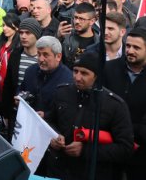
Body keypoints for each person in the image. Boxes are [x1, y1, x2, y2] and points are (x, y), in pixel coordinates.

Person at [47, 52, 133, 180]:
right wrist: (53, 136)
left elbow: (125, 148)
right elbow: (49, 120)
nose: (77, 77)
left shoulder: (114, 105)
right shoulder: (62, 93)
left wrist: (86, 151)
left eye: (84, 73)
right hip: (59, 170)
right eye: (75, 71)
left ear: (96, 76)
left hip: (93, 173)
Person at [103, 28, 146, 180]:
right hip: (109, 145)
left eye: (137, 47)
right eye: (128, 46)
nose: (130, 51)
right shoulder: (109, 69)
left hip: (140, 151)